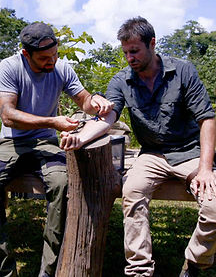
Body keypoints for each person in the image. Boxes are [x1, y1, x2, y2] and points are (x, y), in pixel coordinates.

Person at [61, 16, 216, 277]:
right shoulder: (121, 80)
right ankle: (140, 269)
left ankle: (194, 263)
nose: (129, 57)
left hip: (190, 152)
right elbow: (107, 118)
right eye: (125, 52)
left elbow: (207, 119)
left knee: (213, 207)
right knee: (132, 193)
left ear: (152, 43)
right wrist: (80, 138)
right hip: (151, 155)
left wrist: (204, 168)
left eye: (134, 51)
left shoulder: (183, 71)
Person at [0, 22, 114, 277]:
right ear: (26, 54)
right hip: (12, 142)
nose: (52, 61)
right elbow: (8, 116)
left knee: (62, 185)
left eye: (55, 54)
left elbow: (83, 99)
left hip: (47, 143)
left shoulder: (61, 68)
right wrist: (52, 121)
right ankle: (6, 269)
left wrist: (96, 102)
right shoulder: (9, 67)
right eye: (44, 58)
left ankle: (47, 270)